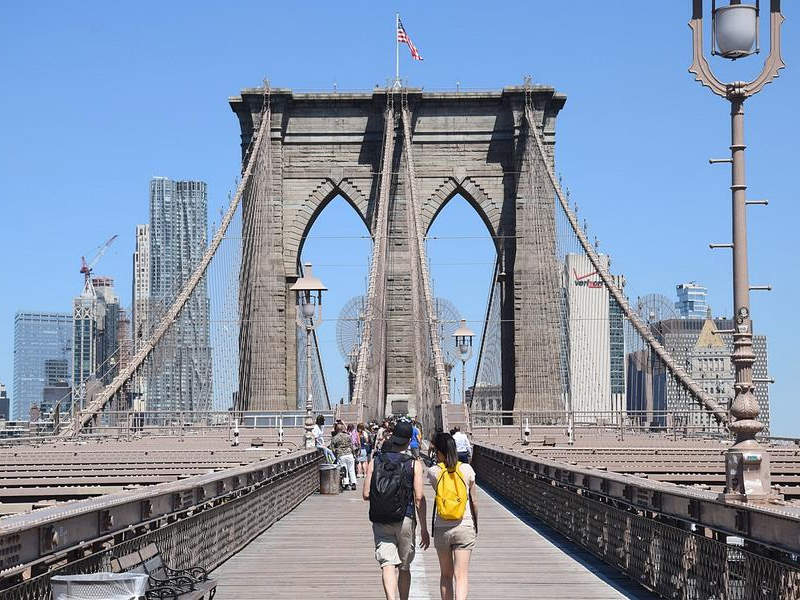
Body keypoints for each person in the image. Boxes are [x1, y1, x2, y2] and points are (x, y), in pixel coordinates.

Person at [363, 420, 430, 600]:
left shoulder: (375, 460)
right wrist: (423, 528)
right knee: (404, 567)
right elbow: (419, 498)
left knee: (387, 564)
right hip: (406, 519)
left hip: (381, 519)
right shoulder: (414, 464)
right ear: (409, 441)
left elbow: (366, 493)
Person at [428, 432, 478, 600]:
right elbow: (474, 501)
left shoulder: (434, 472)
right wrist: (475, 524)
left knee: (446, 575)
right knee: (461, 576)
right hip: (464, 525)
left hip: (442, 528)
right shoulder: (467, 469)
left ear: (439, 452)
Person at [331, 423, 357, 490]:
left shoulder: (335, 438)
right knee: (351, 469)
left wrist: (335, 455)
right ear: (342, 429)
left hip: (341, 455)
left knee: (344, 470)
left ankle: (346, 483)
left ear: (336, 429)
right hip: (349, 454)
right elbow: (352, 446)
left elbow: (332, 449)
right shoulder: (348, 436)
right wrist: (354, 454)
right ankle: (353, 483)